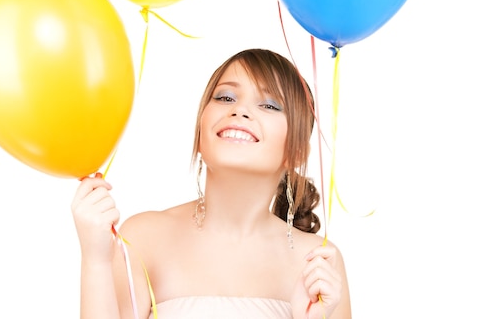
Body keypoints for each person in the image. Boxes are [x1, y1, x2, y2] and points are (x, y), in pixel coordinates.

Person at [71, 48, 351, 319]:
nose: (240, 110)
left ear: (298, 151)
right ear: (201, 127)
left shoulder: (319, 262)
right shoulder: (144, 238)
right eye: (226, 98)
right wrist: (95, 259)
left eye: (269, 105)